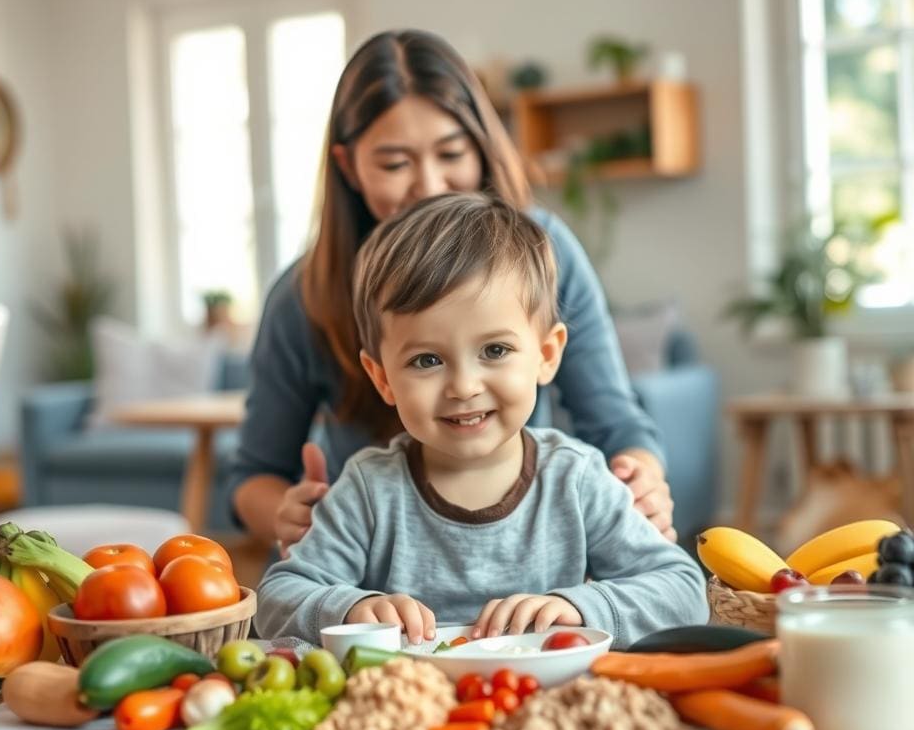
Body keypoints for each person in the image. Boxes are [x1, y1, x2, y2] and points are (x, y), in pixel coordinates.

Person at [231, 29, 676, 553]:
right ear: (349, 166)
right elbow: (254, 476)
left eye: (451, 153)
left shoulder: (547, 250)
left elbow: (616, 424)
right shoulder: (305, 295)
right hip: (379, 577)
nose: (430, 185)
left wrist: (640, 480)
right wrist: (296, 516)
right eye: (395, 164)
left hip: (536, 565)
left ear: (482, 150)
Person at [254, 194, 707, 648]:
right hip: (410, 712)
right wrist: (350, 608)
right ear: (382, 378)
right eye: (427, 359)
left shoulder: (576, 477)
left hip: (544, 708)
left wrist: (580, 607)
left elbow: (684, 590)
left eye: (495, 351)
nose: (464, 386)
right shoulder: (368, 491)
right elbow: (278, 598)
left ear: (547, 355)